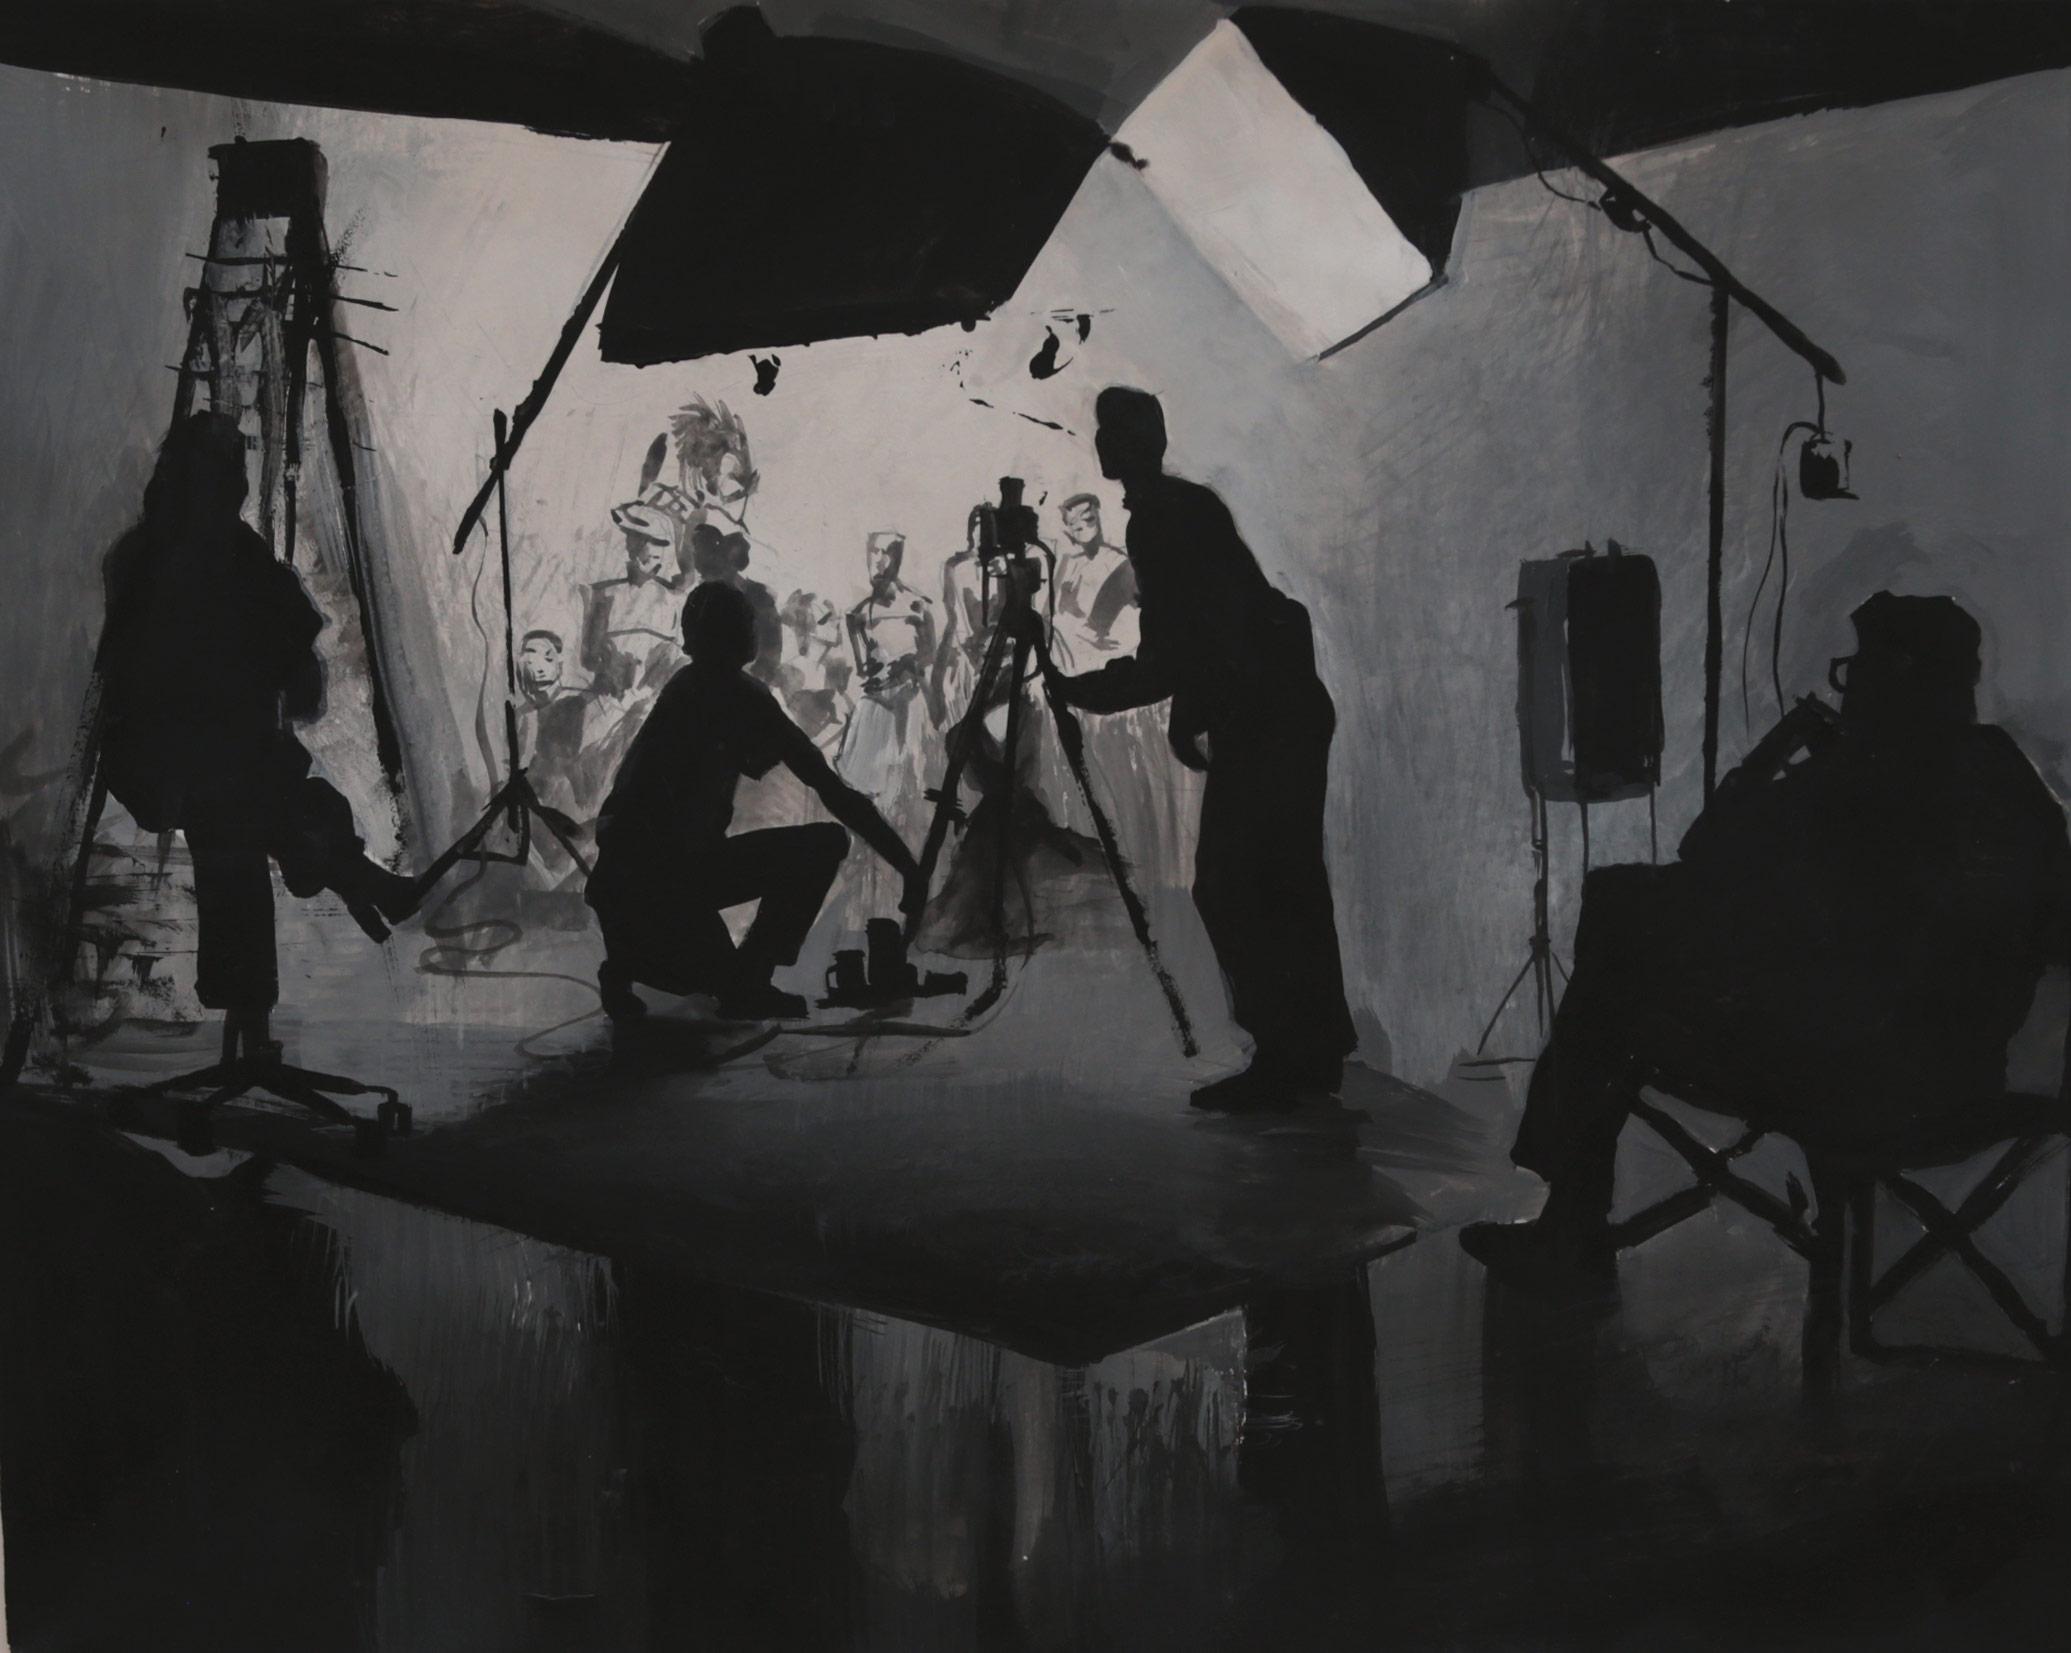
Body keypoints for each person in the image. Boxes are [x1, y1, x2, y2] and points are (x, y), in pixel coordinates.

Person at [1463, 592, 2071, 1280]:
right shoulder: (2004, 775)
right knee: (1631, 940)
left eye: (1857, 670)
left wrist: (1779, 749)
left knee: (1614, 961)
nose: (1847, 688)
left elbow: (1706, 846)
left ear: (1895, 676)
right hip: (1964, 1082)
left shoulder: (1861, 770)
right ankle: (1568, 1225)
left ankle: (1569, 1227)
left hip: (1855, 1084)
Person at [1043, 386, 1357, 1110]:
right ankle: (1309, 1053)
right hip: (1278, 707)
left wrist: (1087, 691)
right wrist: (1186, 713)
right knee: (1281, 880)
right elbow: (1208, 629)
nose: (1104, 442)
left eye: (1113, 431)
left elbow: (1181, 647)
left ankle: (1288, 1056)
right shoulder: (1181, 507)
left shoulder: (1161, 517)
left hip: (1266, 714)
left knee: (1236, 883)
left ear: (1138, 443)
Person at [95, 411, 419, 1015]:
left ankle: (330, 892)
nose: (232, 488)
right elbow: (170, 674)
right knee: (248, 803)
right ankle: (350, 879)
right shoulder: (188, 556)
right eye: (226, 475)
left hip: (205, 758)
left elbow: (291, 655)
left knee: (267, 803)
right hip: (165, 760)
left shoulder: (176, 552)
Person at [585, 583, 926, 1022]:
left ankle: (633, 967)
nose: (757, 632)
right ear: (732, 635)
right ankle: (740, 982)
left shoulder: (686, 688)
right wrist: (908, 867)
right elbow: (832, 790)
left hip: (626, 897)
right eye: (748, 622)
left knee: (705, 969)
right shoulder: (738, 696)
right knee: (824, 845)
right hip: (663, 894)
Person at [834, 532, 937, 822]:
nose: (877, 560)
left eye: (885, 552)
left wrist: (909, 666)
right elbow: (862, 668)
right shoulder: (857, 614)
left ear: (898, 557)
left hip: (909, 703)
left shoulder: (917, 605)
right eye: (873, 551)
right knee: (864, 793)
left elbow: (930, 654)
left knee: (908, 790)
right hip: (876, 706)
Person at [1049, 493, 1139, 668]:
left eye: (1088, 519)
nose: (1080, 526)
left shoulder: (1119, 563)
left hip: (1108, 657)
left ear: (1099, 518)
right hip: (1070, 654)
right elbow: (1055, 617)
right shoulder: (1070, 564)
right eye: (1072, 523)